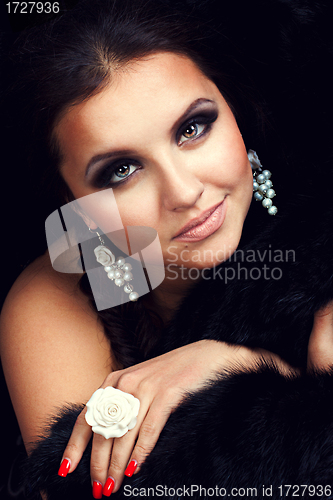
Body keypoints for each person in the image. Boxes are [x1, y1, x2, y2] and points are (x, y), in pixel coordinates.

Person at [1, 0, 333, 499]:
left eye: (193, 128)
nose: (183, 192)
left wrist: (236, 366)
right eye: (120, 171)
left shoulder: (319, 232)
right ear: (75, 206)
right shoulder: (58, 297)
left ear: (235, 110)